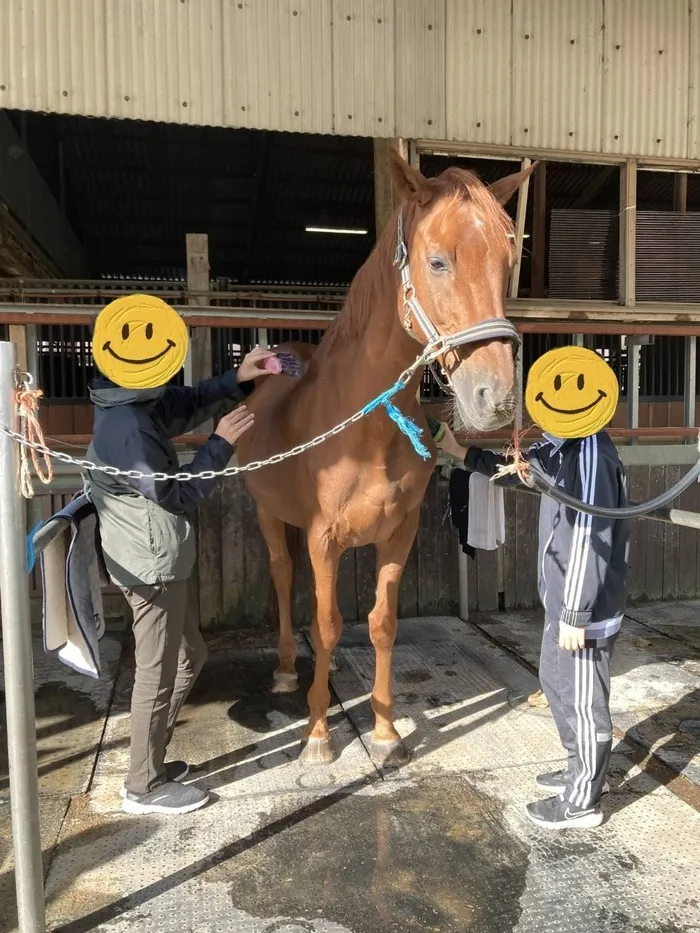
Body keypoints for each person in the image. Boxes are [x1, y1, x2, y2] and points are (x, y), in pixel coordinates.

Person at [85, 345, 273, 815]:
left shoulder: (126, 401)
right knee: (158, 671)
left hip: (156, 558)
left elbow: (184, 403)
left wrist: (238, 378)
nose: (168, 380)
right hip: (151, 566)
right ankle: (143, 786)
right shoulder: (129, 428)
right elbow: (178, 494)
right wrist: (221, 442)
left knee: (191, 656)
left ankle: (151, 762)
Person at [437, 418, 629, 830]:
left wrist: (575, 614)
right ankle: (580, 768)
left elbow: (588, 537)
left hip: (583, 611)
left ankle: (582, 803)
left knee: (584, 702)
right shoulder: (560, 446)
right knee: (556, 685)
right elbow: (519, 468)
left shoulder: (590, 452)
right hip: (561, 604)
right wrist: (459, 452)